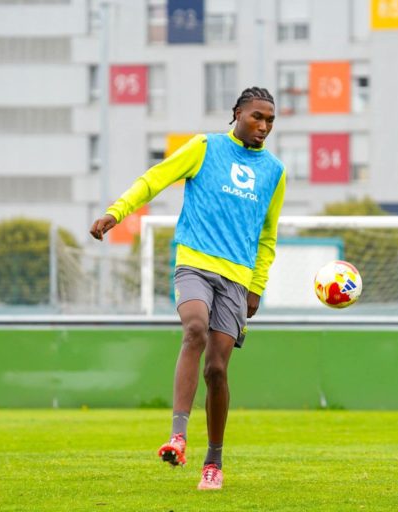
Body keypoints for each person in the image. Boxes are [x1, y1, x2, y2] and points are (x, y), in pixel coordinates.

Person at [89, 87, 286, 491]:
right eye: (257, 117)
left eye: (270, 120)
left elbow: (268, 237)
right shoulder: (203, 147)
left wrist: (257, 287)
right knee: (193, 329)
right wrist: (117, 211)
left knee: (217, 369)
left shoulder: (274, 172)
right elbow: (154, 179)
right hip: (194, 262)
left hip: (237, 278)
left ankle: (213, 461)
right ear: (236, 114)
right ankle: (177, 436)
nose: (263, 126)